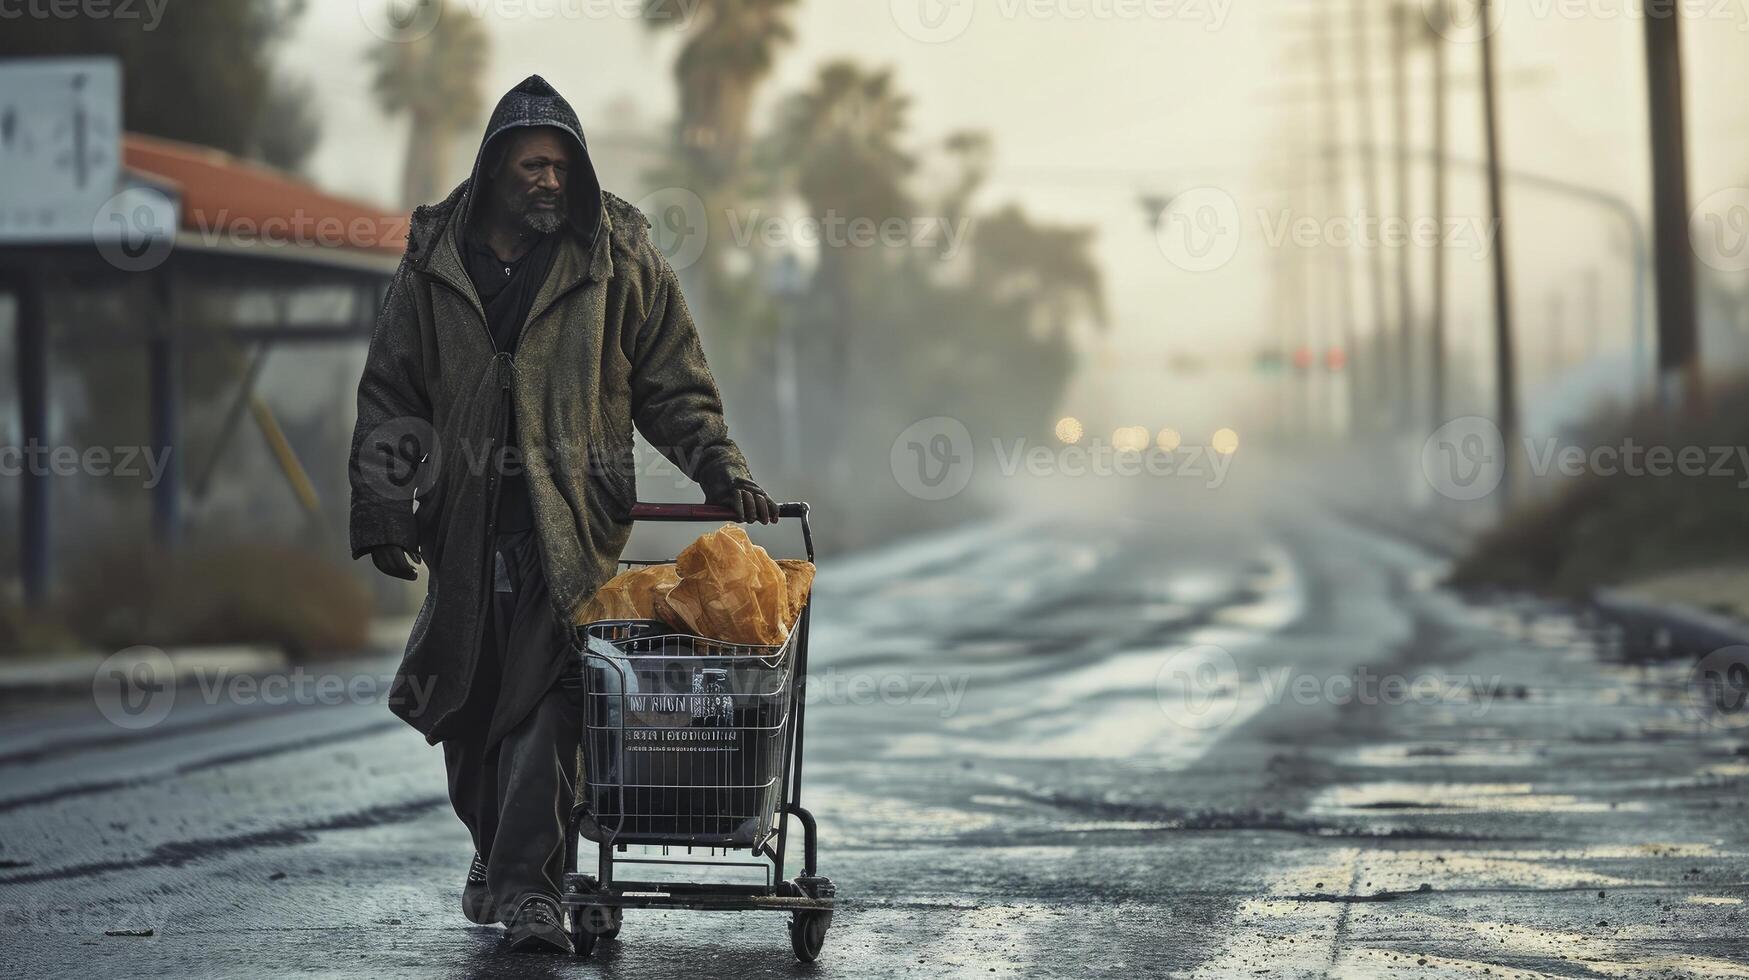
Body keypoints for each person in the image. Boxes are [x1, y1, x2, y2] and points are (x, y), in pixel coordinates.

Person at [348, 75, 776, 954]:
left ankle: (530, 891)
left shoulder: (615, 253)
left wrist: (719, 467)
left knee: (550, 701)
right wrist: (386, 509)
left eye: (561, 166)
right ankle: (497, 858)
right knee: (465, 710)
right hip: (463, 526)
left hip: (571, 523)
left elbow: (673, 381)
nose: (549, 181)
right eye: (532, 164)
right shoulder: (436, 260)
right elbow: (393, 390)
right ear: (495, 166)